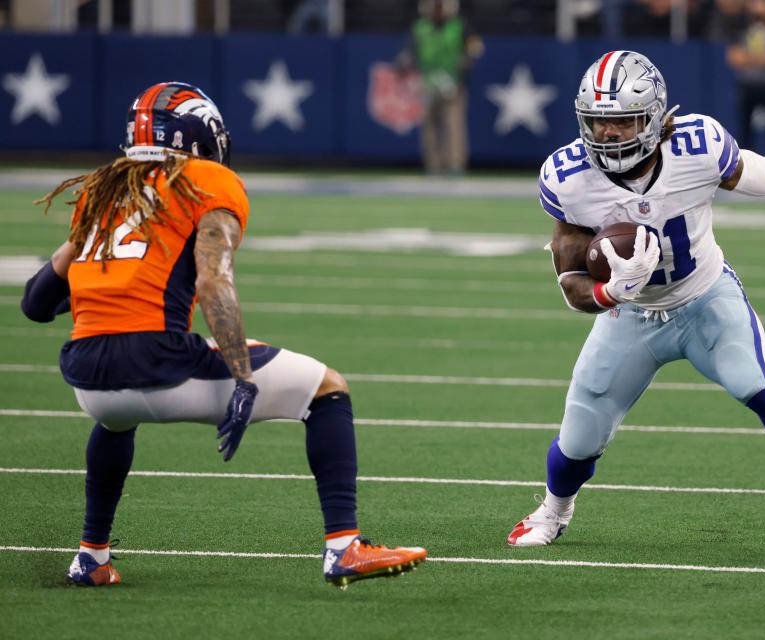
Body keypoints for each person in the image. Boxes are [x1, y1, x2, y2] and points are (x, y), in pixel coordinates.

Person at [21, 81, 427, 588]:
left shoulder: (106, 190)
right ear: (199, 135)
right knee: (327, 388)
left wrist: (96, 285)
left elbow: (35, 304)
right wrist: (242, 377)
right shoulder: (208, 180)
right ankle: (344, 548)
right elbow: (214, 284)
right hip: (157, 363)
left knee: (115, 422)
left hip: (87, 380)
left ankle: (91, 558)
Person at [508, 51, 765, 547]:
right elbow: (570, 281)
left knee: (761, 388)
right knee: (579, 436)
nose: (607, 134)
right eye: (599, 122)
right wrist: (610, 291)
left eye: (622, 121)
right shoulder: (569, 178)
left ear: (653, 116)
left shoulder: (698, 145)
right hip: (632, 314)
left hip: (706, 296)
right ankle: (553, 512)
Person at [397, 0, 483, 175]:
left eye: (440, 5)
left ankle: (455, 165)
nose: (437, 9)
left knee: (454, 124)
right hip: (428, 82)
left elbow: (476, 46)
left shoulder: (459, 25)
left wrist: (468, 59)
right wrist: (405, 61)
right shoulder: (420, 26)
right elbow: (410, 50)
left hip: (453, 82)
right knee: (429, 126)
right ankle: (434, 165)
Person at [726, 0, 765, 160]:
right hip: (748, 86)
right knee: (745, 129)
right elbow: (734, 57)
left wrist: (750, 59)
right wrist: (764, 58)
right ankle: (745, 164)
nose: (759, 13)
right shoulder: (741, 30)